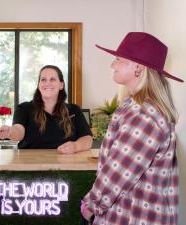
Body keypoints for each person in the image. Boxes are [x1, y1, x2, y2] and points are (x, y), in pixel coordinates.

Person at [81, 32, 183, 225]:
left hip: (132, 217)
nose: (113, 64)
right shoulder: (134, 106)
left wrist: (90, 206)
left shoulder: (144, 114)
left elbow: (118, 174)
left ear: (138, 67)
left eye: (118, 59)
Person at [0, 65, 93, 154]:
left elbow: (87, 139)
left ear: (61, 85)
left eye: (53, 79)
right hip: (30, 168)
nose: (47, 83)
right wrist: (9, 131)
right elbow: (19, 131)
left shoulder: (74, 110)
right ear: (38, 85)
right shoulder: (24, 108)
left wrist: (76, 146)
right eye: (43, 80)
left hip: (66, 167)